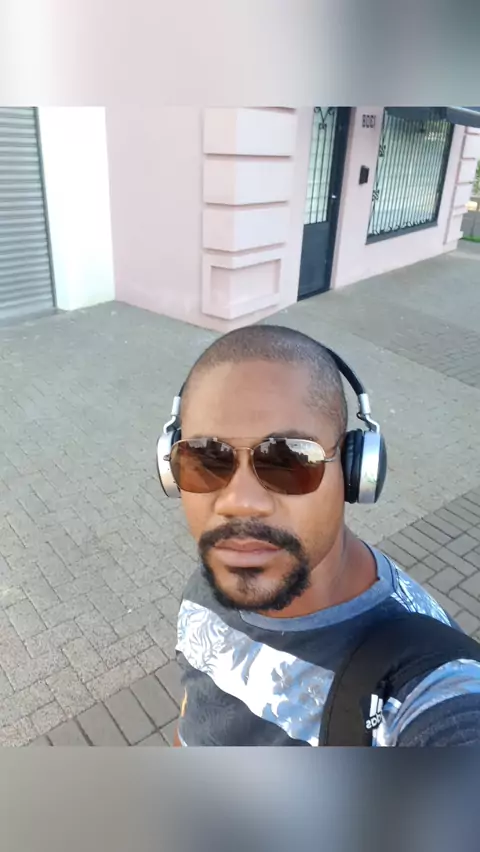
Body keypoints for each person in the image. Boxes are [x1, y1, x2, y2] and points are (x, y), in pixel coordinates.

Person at [157, 324, 480, 747]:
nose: (239, 502)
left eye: (289, 460)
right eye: (206, 458)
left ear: (354, 473)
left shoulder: (424, 682)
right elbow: (194, 716)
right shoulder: (208, 584)